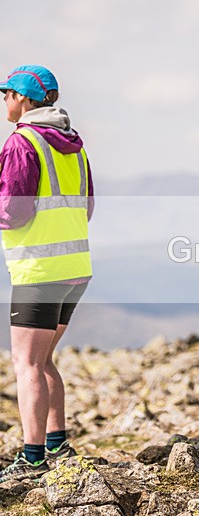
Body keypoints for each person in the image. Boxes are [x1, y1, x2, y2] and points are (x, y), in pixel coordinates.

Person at [0, 65, 94, 481]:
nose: (4, 101)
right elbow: (87, 207)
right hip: (75, 267)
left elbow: (14, 211)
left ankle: (33, 458)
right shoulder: (74, 145)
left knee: (26, 364)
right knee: (43, 359)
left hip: (39, 269)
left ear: (22, 99)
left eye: (6, 94)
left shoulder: (23, 142)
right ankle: (57, 445)